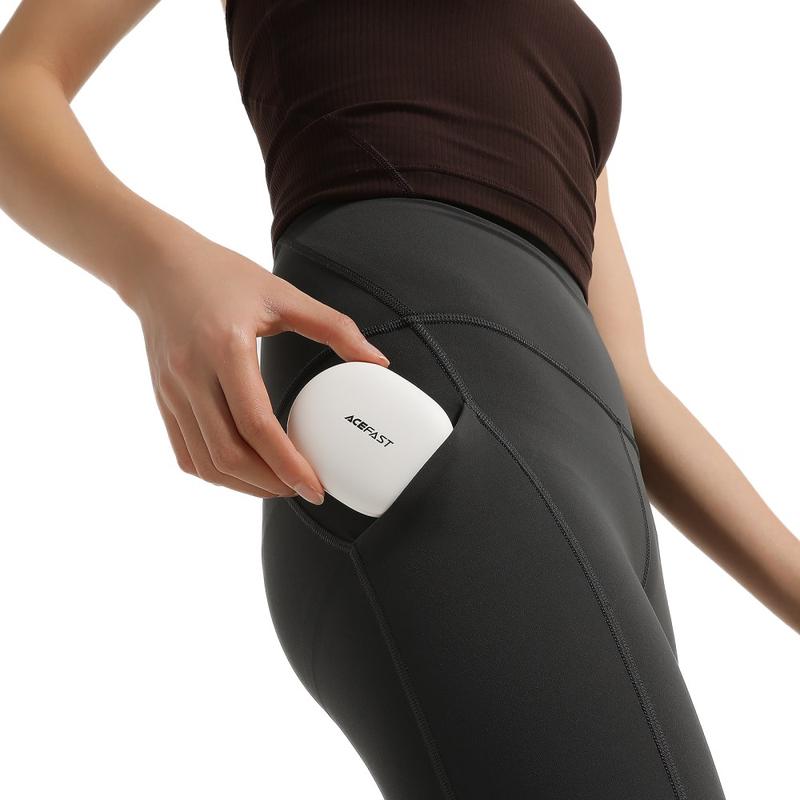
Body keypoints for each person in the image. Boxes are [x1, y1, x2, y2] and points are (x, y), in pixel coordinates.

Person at [0, 2, 797, 798]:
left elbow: (626, 371)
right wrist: (160, 269)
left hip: (589, 465)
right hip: (414, 398)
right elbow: (16, 82)